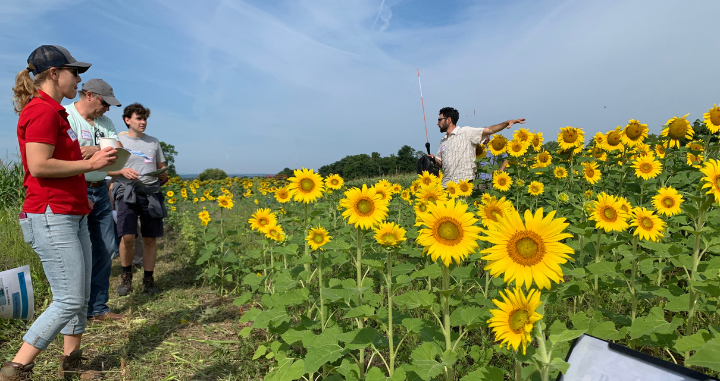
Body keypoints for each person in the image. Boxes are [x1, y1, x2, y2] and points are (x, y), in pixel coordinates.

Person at [3, 45, 117, 380]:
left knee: (79, 297)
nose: (78, 79)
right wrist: (90, 162)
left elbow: (57, 160)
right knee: (68, 298)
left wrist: (84, 157)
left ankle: (72, 364)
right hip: (52, 215)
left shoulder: (56, 113)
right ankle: (16, 367)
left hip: (73, 212)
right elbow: (38, 166)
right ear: (54, 74)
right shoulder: (41, 111)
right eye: (74, 72)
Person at [65, 78, 125, 322]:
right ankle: (71, 309)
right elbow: (69, 153)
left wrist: (94, 149)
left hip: (100, 189)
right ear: (89, 95)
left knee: (107, 246)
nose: (108, 109)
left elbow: (119, 151)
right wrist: (102, 150)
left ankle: (97, 307)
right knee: (74, 253)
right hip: (75, 187)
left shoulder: (105, 122)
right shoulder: (67, 116)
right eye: (105, 103)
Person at [109, 103, 168, 296]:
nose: (143, 123)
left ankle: (148, 279)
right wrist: (122, 171)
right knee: (128, 236)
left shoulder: (153, 142)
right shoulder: (118, 140)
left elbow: (162, 167)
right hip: (126, 190)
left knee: (150, 238)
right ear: (127, 120)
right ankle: (126, 276)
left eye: (145, 119)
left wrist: (163, 175)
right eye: (138, 119)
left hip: (151, 191)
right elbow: (107, 167)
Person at [428, 107, 524, 187]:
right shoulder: (443, 141)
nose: (437, 123)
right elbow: (443, 165)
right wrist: (434, 159)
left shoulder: (466, 132)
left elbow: (489, 130)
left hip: (464, 185)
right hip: (447, 185)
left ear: (448, 120)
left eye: (439, 120)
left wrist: (507, 122)